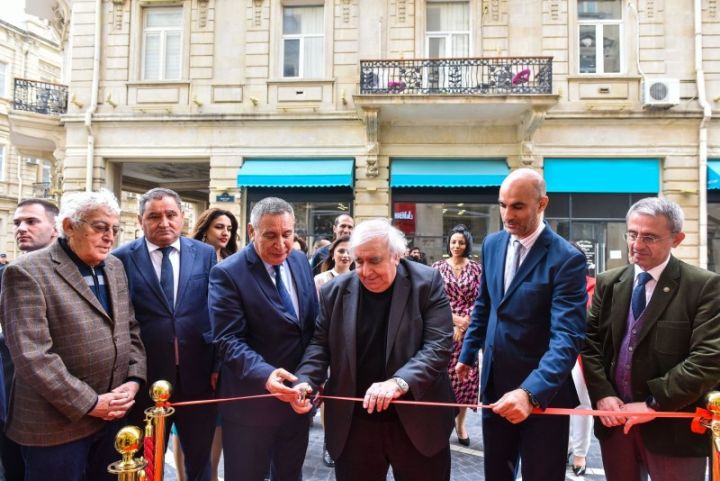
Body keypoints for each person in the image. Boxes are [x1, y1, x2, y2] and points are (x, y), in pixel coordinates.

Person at [272, 218, 456, 481]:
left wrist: (399, 382)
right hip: (354, 425)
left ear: (396, 256)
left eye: (374, 261)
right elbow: (319, 345)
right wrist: (305, 381)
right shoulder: (334, 291)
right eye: (358, 261)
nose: (365, 271)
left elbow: (438, 346)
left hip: (418, 423)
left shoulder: (426, 283)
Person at [0, 189, 146, 481]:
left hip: (112, 419)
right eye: (100, 227)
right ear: (69, 226)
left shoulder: (114, 266)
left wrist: (133, 380)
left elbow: (130, 329)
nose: (110, 237)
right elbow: (33, 357)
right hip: (55, 427)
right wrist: (92, 403)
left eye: (115, 229)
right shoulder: (25, 272)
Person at [456, 168, 587, 481]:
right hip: (494, 386)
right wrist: (467, 352)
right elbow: (485, 304)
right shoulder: (492, 244)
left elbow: (567, 338)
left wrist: (531, 393)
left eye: (517, 206)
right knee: (496, 474)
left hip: (543, 395)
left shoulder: (567, 258)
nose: (506, 215)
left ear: (542, 204)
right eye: (502, 205)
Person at [582, 197, 720, 481]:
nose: (637, 245)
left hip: (674, 432)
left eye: (649, 237)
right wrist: (603, 394)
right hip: (616, 424)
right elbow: (590, 342)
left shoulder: (704, 287)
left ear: (677, 239)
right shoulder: (608, 282)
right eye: (632, 234)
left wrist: (652, 404)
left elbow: (708, 358)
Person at [208, 197, 318, 481]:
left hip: (297, 401)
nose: (281, 244)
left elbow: (309, 329)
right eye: (270, 235)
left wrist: (310, 378)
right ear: (251, 231)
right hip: (250, 406)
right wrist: (266, 375)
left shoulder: (299, 261)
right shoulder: (227, 273)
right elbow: (227, 340)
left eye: (288, 234)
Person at [113, 188, 217, 481]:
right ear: (140, 220)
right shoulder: (120, 259)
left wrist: (217, 365)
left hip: (197, 375)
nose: (164, 222)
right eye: (154, 216)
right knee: (148, 457)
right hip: (146, 376)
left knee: (200, 458)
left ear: (183, 217)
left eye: (171, 215)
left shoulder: (205, 254)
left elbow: (216, 312)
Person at [1, 198, 59, 481]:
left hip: (58, 411)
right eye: (17, 223)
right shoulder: (8, 273)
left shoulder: (78, 274)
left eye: (32, 221)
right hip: (12, 405)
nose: (21, 228)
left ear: (55, 228)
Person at [188, 208, 240, 481]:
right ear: (205, 227)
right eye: (219, 226)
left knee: (218, 421)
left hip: (224, 355)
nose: (225, 233)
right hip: (195, 353)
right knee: (188, 426)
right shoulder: (189, 258)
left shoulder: (233, 261)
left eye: (229, 229)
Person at [431, 224, 482, 446]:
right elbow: (433, 300)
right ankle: (441, 422)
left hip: (469, 331)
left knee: (466, 379)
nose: (457, 246)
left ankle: (460, 424)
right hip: (443, 328)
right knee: (443, 378)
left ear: (467, 244)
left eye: (461, 242)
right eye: (453, 242)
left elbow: (481, 300)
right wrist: (453, 321)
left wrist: (464, 325)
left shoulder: (477, 269)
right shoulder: (437, 267)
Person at [567, 242, 595, 477]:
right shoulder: (552, 283)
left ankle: (580, 452)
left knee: (581, 402)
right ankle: (565, 446)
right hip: (551, 351)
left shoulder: (593, 286)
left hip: (581, 354)